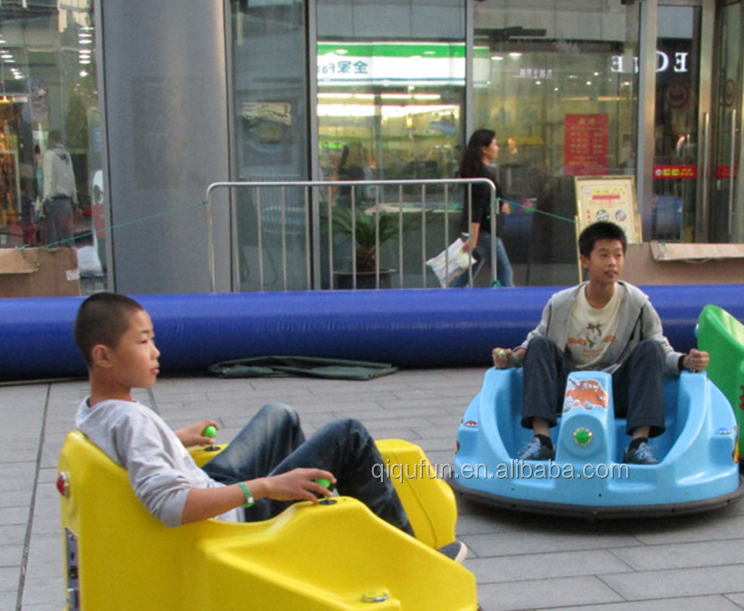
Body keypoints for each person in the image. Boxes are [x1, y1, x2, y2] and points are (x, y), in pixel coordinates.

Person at [71, 292, 466, 560]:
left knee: (279, 414)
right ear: (104, 355)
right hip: (232, 516)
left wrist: (174, 440)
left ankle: (308, 534)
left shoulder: (95, 411)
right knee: (349, 435)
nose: (156, 351)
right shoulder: (132, 420)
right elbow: (170, 506)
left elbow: (135, 458)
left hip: (207, 484)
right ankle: (407, 557)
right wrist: (267, 487)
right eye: (143, 342)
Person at [490, 221, 710, 465]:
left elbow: (662, 349)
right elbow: (533, 343)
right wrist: (512, 358)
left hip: (615, 389)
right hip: (570, 389)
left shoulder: (637, 303)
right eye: (603, 255)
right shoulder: (560, 303)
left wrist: (687, 361)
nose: (612, 263)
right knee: (541, 344)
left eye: (618, 255)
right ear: (585, 260)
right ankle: (541, 441)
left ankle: (638, 444)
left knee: (651, 349)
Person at [450, 128, 514, 288]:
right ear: (484, 149)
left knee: (466, 272)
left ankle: (448, 299)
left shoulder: (479, 172)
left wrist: (501, 203)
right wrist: (474, 236)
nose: (498, 148)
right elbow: (477, 207)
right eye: (495, 144)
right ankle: (511, 305)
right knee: (504, 272)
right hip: (485, 232)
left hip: (482, 232)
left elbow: (483, 201)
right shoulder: (482, 174)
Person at [42, 130, 77, 247]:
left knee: (53, 242)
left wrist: (45, 199)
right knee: (69, 240)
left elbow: (49, 179)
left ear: (50, 140)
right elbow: (72, 178)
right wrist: (74, 200)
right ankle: (73, 263)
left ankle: (57, 265)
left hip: (55, 202)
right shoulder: (67, 155)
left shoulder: (49, 155)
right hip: (67, 202)